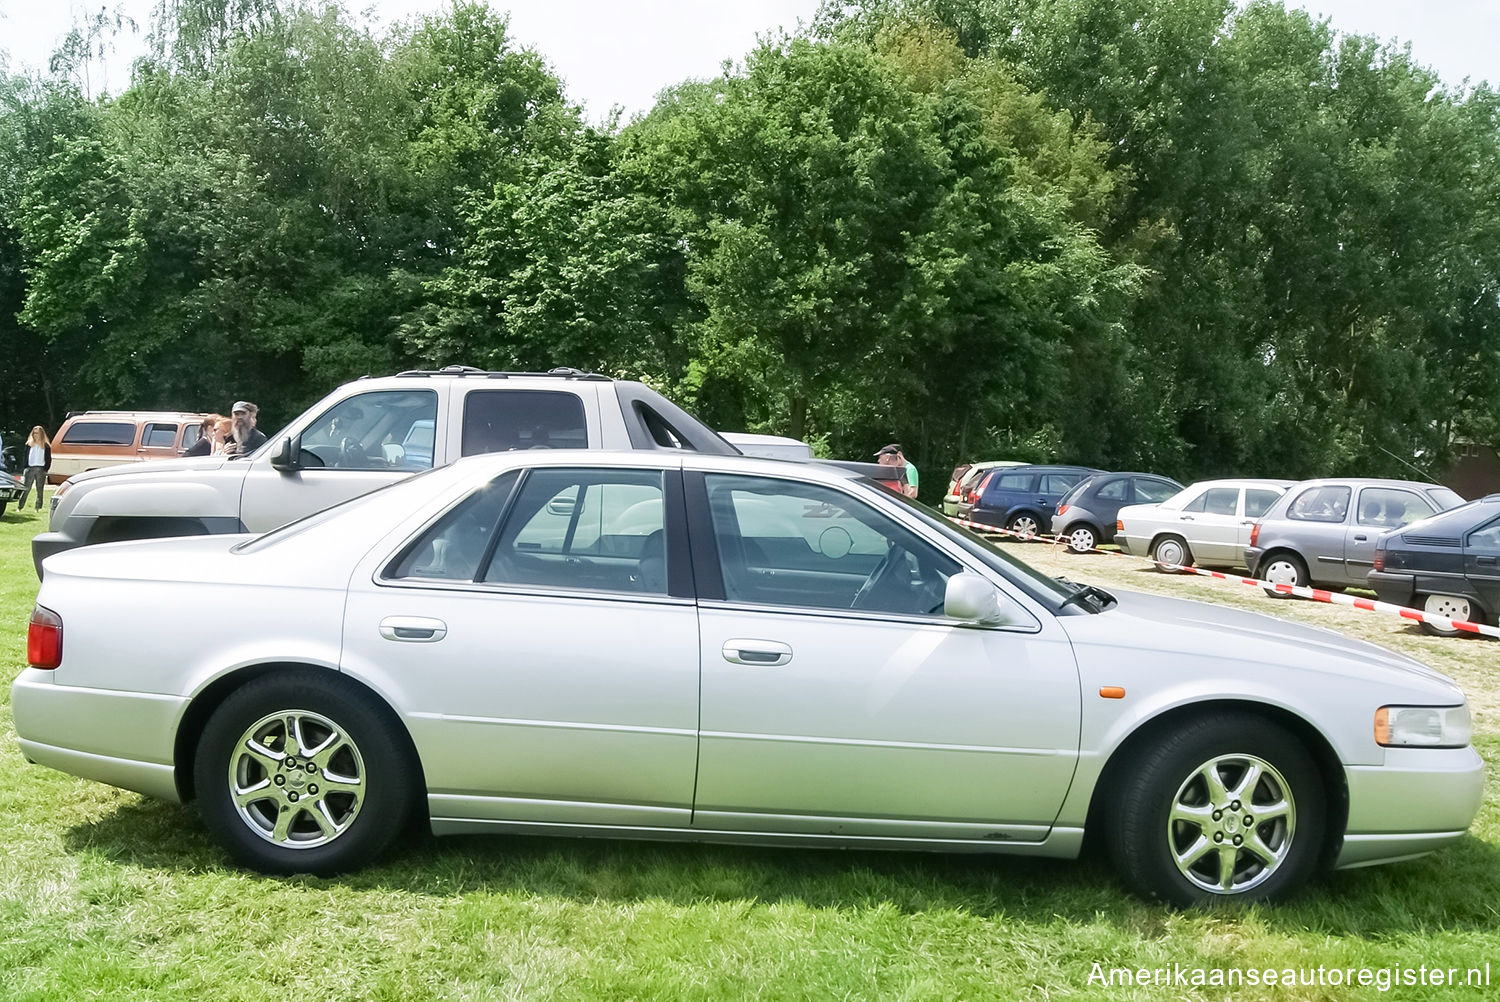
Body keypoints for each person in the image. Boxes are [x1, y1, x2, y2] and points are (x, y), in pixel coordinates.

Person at [18, 426, 52, 512]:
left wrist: (46, 469)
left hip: (41, 468)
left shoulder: (46, 446)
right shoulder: (29, 444)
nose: (35, 435)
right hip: (30, 468)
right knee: (26, 489)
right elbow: (25, 456)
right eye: (34, 433)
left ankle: (38, 508)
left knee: (39, 489)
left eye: (37, 433)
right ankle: (20, 507)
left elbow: (48, 458)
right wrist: (25, 467)